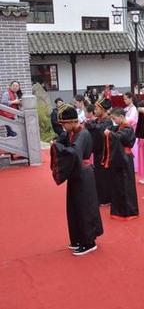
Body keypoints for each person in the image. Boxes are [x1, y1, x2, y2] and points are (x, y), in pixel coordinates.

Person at [49, 104, 103, 255]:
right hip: (76, 173)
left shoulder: (83, 133)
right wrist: (56, 144)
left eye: (64, 124)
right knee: (74, 207)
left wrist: (57, 148)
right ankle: (78, 238)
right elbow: (62, 142)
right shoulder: (71, 132)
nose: (63, 127)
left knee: (84, 208)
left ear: (73, 121)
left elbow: (74, 152)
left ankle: (89, 242)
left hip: (84, 174)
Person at [102, 108, 139, 220]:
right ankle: (118, 211)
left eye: (115, 118)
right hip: (119, 157)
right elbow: (113, 130)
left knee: (126, 184)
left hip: (125, 158)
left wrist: (110, 134)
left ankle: (129, 211)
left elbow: (119, 137)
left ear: (122, 117)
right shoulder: (119, 127)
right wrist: (109, 131)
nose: (114, 121)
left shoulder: (128, 128)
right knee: (117, 184)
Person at [84, 98, 114, 207]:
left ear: (103, 109)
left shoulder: (108, 121)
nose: (95, 110)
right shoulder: (97, 120)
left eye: (97, 108)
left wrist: (90, 125)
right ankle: (100, 197)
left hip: (105, 152)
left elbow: (101, 130)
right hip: (97, 151)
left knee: (104, 176)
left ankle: (106, 198)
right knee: (98, 176)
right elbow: (93, 126)